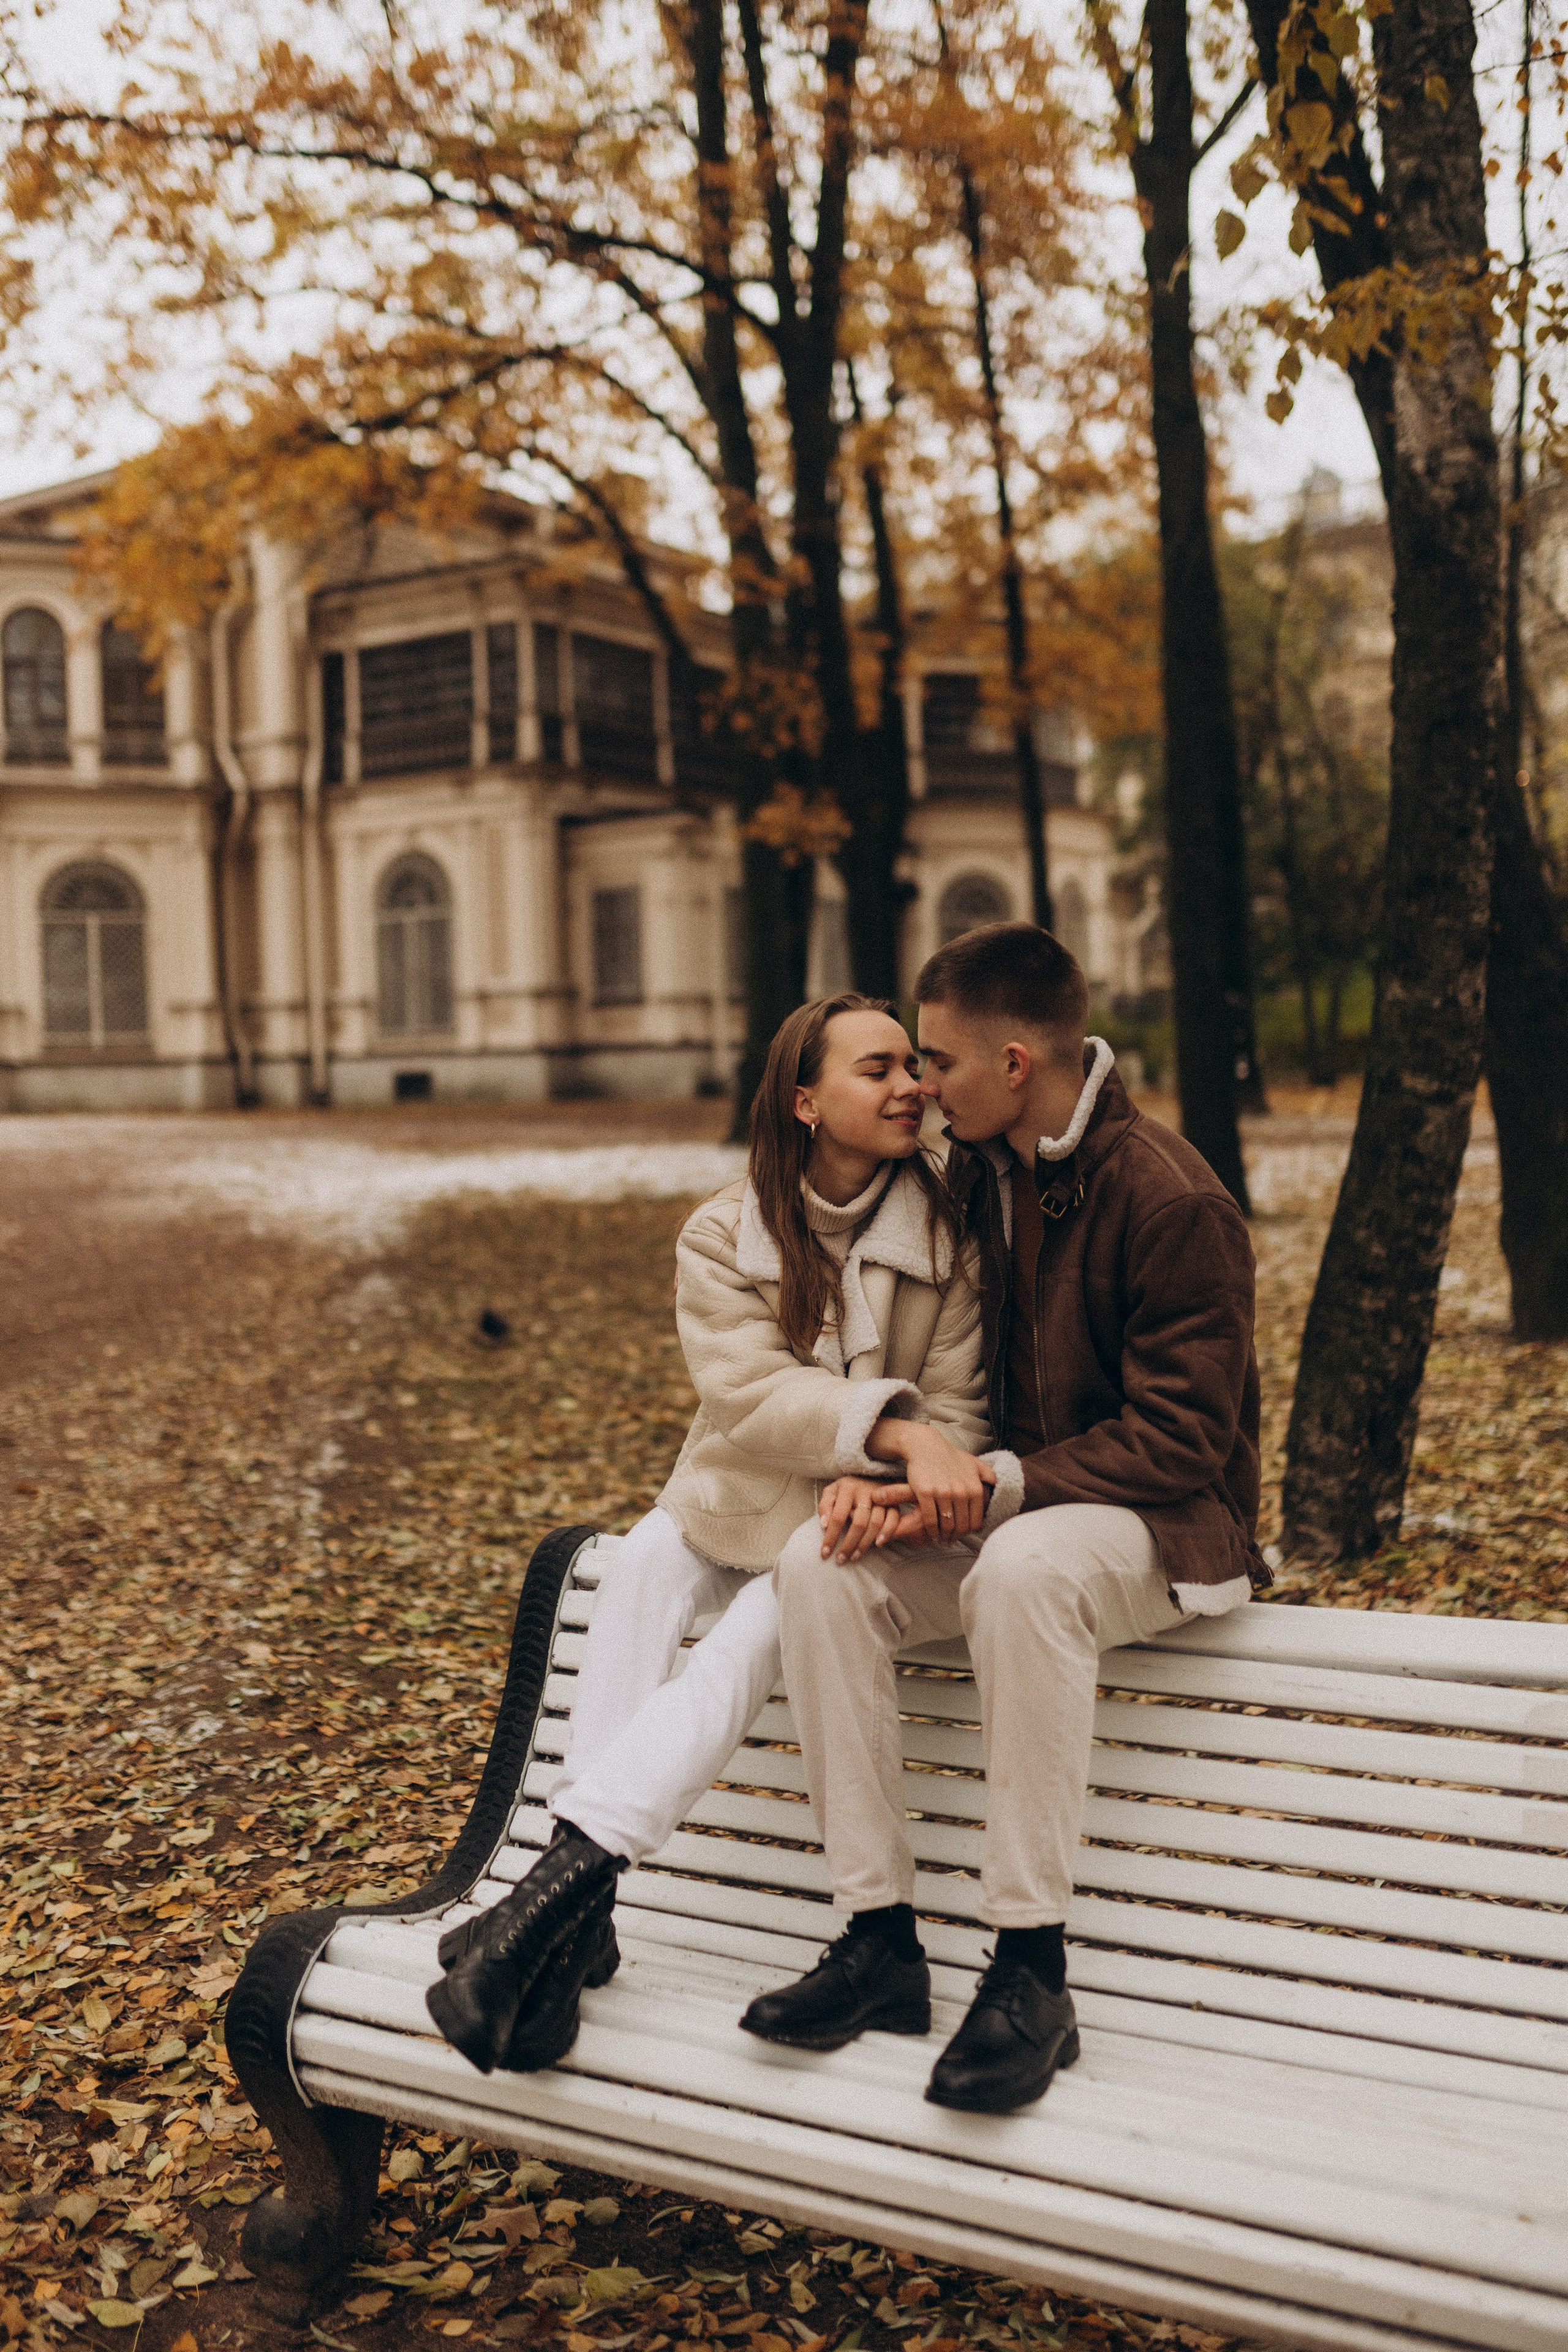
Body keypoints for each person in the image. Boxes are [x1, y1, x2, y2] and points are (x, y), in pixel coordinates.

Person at [426, 991, 1019, 2077]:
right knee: (645, 1562)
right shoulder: (723, 1228)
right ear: (804, 1102)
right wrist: (893, 1429)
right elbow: (745, 1394)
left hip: (852, 1521)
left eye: (910, 1069)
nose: (909, 1089)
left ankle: (551, 1913)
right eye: (875, 1071)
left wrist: (899, 1466)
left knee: (763, 1625)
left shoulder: (950, 1235)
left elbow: (963, 1414)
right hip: (739, 1488)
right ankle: (578, 1922)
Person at [744, 922, 1267, 2112]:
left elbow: (1184, 1439)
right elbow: (817, 1203)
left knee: (1023, 1568)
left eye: (935, 1060)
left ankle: (1030, 1969)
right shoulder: (977, 1175)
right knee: (816, 1560)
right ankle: (877, 1937)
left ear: (1015, 1066)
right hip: (1022, 1509)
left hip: (1169, 1529)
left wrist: (989, 1486)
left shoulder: (1172, 1198)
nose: (919, 1084)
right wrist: (902, 1474)